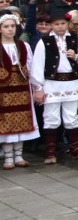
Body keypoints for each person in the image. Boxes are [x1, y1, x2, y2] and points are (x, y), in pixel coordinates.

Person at [30, 8, 78, 164]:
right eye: (56, 24)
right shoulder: (44, 41)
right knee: (51, 117)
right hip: (52, 83)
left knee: (71, 116)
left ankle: (75, 148)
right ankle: (50, 152)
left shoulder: (75, 39)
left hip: (71, 82)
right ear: (51, 25)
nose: (60, 26)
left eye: (63, 23)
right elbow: (37, 65)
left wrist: (77, 56)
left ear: (67, 24)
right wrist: (38, 88)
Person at [0, 14, 38, 169]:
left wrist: (37, 87)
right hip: (3, 88)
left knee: (22, 119)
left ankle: (19, 156)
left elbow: (31, 67)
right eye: (6, 26)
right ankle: (8, 158)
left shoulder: (23, 46)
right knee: (6, 121)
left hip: (22, 87)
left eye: (12, 26)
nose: (10, 29)